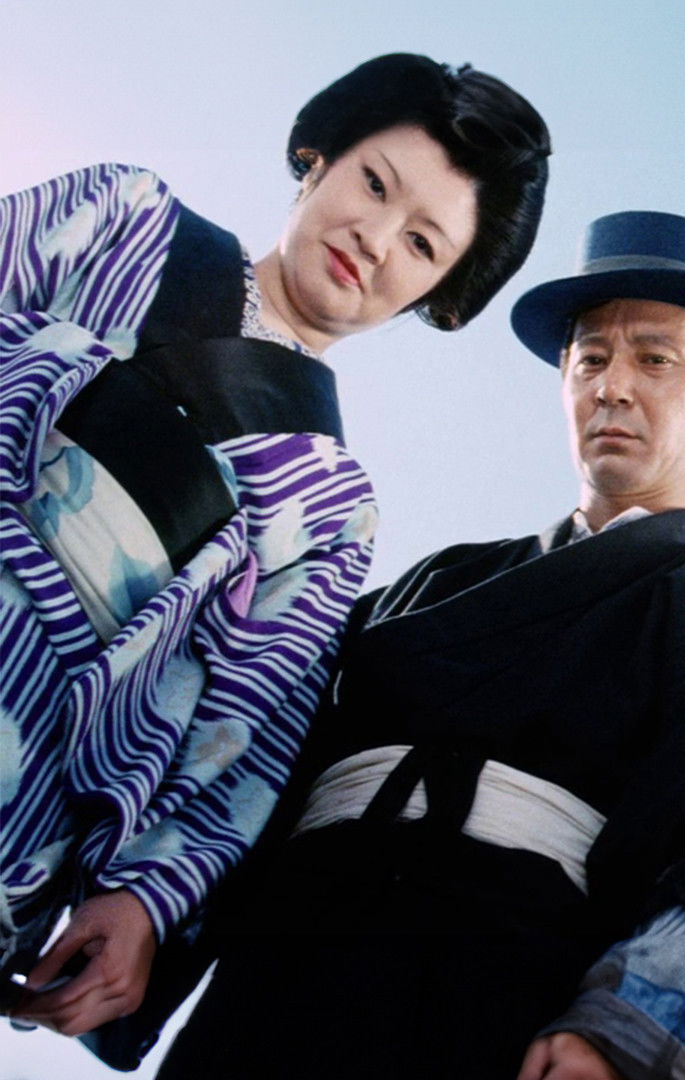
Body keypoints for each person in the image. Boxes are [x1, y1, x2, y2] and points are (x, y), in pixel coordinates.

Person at [155, 210, 685, 1079]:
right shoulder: (440, 577)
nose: (613, 387)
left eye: (655, 359)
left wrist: (621, 1027)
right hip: (286, 952)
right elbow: (259, 737)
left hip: (506, 980)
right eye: (590, 359)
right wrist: (151, 900)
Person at [0, 53, 550, 1043]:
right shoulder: (122, 217)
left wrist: (144, 897)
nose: (374, 239)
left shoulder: (333, 508)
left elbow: (248, 724)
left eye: (421, 243)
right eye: (375, 184)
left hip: (20, 773)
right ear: (317, 156)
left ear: (437, 295)